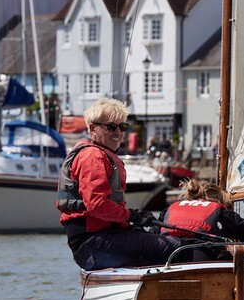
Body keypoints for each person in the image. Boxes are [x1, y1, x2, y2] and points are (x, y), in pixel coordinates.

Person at [57, 98, 181, 270]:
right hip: (92, 244)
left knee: (161, 237)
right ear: (93, 128)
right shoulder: (93, 156)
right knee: (178, 248)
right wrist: (131, 217)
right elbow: (97, 205)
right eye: (111, 127)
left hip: (102, 239)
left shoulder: (100, 154)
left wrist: (134, 220)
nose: (118, 133)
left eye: (122, 127)